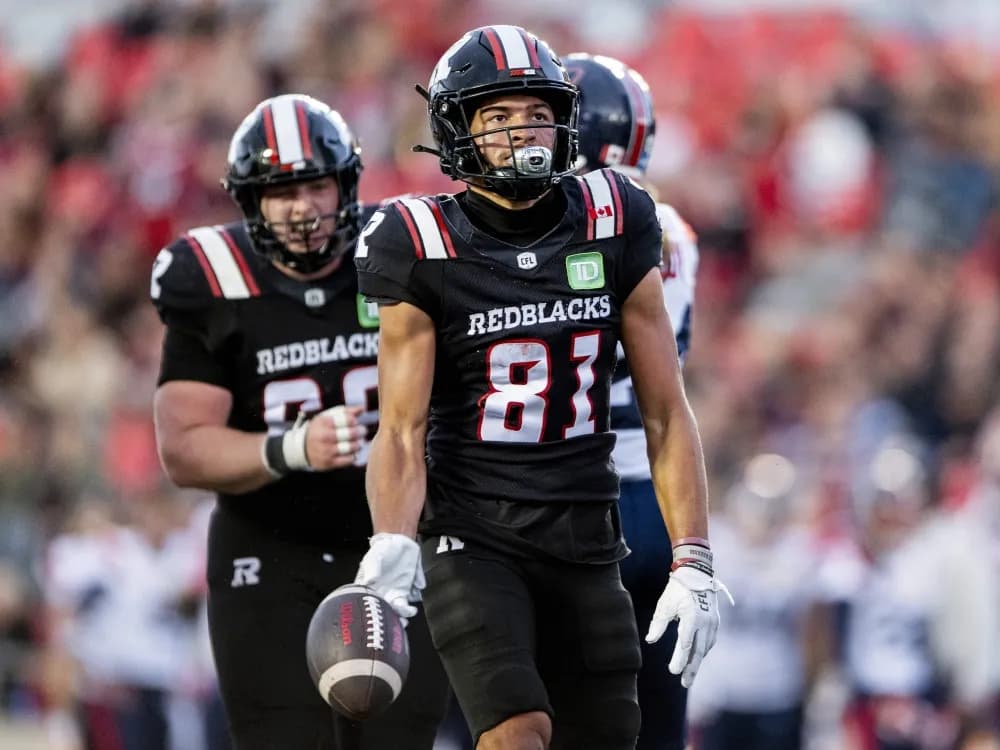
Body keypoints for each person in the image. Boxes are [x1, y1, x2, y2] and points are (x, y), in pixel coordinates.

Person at [353, 26, 725, 750]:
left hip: (589, 530)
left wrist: (695, 558)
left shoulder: (617, 216)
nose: (520, 132)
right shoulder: (417, 239)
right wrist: (393, 540)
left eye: (534, 113)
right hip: (475, 529)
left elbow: (667, 414)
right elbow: (399, 427)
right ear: (457, 129)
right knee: (516, 731)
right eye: (496, 117)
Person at [150, 94, 449, 750]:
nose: (303, 207)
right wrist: (290, 448)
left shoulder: (400, 250)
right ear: (249, 201)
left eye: (315, 184)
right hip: (269, 548)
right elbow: (184, 450)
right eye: (280, 190)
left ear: (345, 184)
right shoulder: (210, 278)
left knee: (398, 740)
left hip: (395, 545)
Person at [563, 51, 701, 750]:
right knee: (656, 722)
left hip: (580, 497)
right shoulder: (678, 232)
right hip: (661, 495)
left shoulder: (570, 225)